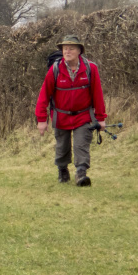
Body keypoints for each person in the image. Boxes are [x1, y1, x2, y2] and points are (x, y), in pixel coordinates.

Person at [36, 35, 107, 187]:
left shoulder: (90, 68)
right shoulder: (55, 69)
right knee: (62, 147)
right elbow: (44, 95)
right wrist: (42, 119)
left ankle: (81, 173)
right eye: (64, 48)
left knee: (81, 144)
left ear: (79, 51)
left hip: (83, 116)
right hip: (61, 116)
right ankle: (62, 170)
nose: (67, 51)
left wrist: (100, 118)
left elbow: (98, 95)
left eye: (71, 48)